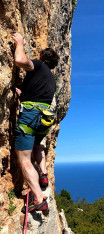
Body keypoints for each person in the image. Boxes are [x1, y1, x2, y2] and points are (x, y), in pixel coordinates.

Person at [13, 32, 59, 213]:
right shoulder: (51, 80)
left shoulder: (39, 65)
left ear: (41, 58)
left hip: (30, 116)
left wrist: (20, 43)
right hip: (44, 118)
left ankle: (39, 198)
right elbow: (38, 95)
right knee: (37, 145)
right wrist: (23, 95)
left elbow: (20, 60)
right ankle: (44, 173)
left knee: (24, 161)